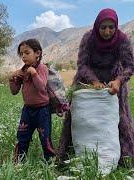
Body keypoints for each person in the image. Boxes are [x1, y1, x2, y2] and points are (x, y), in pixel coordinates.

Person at [58, 8, 134, 165]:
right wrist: (94, 82)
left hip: (114, 81)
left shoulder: (122, 40)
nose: (107, 32)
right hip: (87, 81)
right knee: (80, 118)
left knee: (119, 118)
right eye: (103, 27)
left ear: (116, 27)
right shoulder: (88, 39)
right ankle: (72, 153)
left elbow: (130, 65)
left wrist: (119, 81)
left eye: (111, 27)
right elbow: (82, 64)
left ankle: (123, 158)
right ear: (97, 26)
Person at [10, 39, 55, 163]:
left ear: (37, 53)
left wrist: (34, 73)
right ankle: (19, 161)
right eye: (21, 54)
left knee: (45, 137)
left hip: (42, 110)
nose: (23, 56)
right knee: (22, 136)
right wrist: (12, 79)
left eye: (27, 52)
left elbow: (41, 88)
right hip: (27, 110)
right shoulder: (23, 70)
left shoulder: (42, 68)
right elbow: (14, 91)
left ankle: (50, 162)